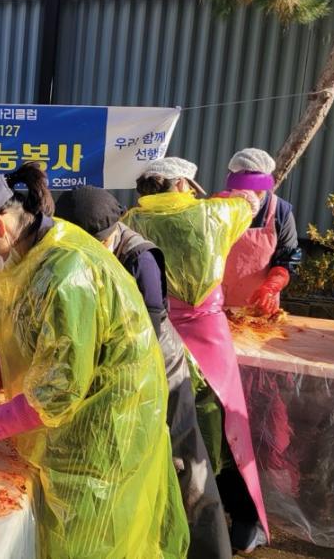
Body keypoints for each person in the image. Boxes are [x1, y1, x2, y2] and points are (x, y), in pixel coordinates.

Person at [0, 164, 189, 559]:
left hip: (104, 426)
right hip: (71, 420)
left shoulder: (66, 272)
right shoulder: (22, 255)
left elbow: (57, 391)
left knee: (91, 540)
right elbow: (23, 342)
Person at [54, 185, 232, 559]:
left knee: (185, 460)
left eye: (95, 245)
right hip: (110, 365)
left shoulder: (140, 259)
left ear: (112, 233)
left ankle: (209, 549)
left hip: (156, 364)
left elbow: (141, 334)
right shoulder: (72, 250)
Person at [122, 156, 269, 553]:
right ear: (184, 185)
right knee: (223, 424)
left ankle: (177, 517)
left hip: (156, 335)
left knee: (167, 428)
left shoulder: (131, 222)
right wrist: (244, 175)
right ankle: (237, 520)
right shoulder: (214, 215)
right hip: (208, 335)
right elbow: (254, 197)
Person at [220, 148, 302, 314]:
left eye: (254, 185)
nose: (247, 192)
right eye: (242, 184)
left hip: (259, 307)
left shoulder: (280, 212)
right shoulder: (218, 205)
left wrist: (271, 288)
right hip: (217, 306)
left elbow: (287, 259)